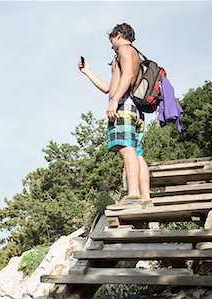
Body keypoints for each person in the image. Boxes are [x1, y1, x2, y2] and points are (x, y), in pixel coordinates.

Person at [78, 23, 150, 207]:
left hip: (124, 105)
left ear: (118, 35)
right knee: (137, 152)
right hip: (136, 109)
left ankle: (133, 195)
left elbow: (125, 77)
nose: (111, 45)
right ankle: (146, 198)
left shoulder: (125, 50)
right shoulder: (134, 54)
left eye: (111, 39)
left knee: (127, 149)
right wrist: (88, 72)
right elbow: (109, 87)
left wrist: (114, 101)